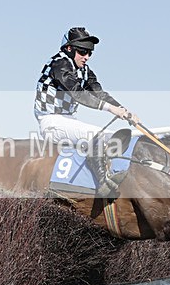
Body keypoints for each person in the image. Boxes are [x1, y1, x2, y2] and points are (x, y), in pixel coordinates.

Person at [34, 26, 140, 198]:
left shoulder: (84, 70)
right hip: (51, 121)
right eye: (82, 52)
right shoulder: (59, 63)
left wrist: (125, 112)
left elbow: (99, 93)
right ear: (69, 48)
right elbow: (78, 94)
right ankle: (104, 184)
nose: (87, 57)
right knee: (97, 135)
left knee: (112, 137)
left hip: (69, 120)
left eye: (90, 53)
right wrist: (111, 109)